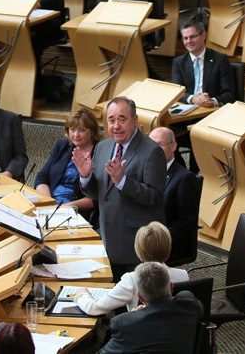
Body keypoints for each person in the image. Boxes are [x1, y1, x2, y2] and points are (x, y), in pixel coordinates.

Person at [72, 96, 167, 279]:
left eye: (122, 119)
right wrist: (86, 176)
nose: (116, 125)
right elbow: (97, 193)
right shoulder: (102, 147)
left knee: (134, 303)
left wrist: (123, 182)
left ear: (135, 120)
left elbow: (154, 197)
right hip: (108, 240)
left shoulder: (152, 151)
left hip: (136, 246)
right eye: (111, 120)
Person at [74, 222, 189, 315]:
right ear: (169, 247)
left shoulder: (132, 279)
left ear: (138, 249)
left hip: (140, 334)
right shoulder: (183, 275)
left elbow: (94, 308)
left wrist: (82, 294)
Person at [98, 262, 202, 354]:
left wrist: (135, 316)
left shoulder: (125, 323)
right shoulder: (190, 304)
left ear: (140, 297)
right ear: (171, 287)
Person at [148, 127, 200, 263]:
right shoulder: (144, 171)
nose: (155, 150)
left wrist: (156, 237)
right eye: (151, 145)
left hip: (166, 242)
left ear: (173, 146)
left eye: (160, 145)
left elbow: (187, 223)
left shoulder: (185, 178)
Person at [34, 106, 102, 205]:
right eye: (72, 130)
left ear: (92, 131)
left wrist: (64, 208)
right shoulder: (62, 145)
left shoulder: (101, 152)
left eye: (82, 130)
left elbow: (97, 197)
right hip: (50, 202)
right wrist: (49, 203)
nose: (76, 135)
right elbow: (42, 177)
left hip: (74, 208)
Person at [172, 19, 236, 108]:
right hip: (187, 109)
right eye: (185, 38)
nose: (189, 41)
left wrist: (213, 101)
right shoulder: (179, 62)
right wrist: (193, 99)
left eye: (193, 37)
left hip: (211, 111)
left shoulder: (220, 59)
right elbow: (175, 91)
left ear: (203, 35)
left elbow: (230, 94)